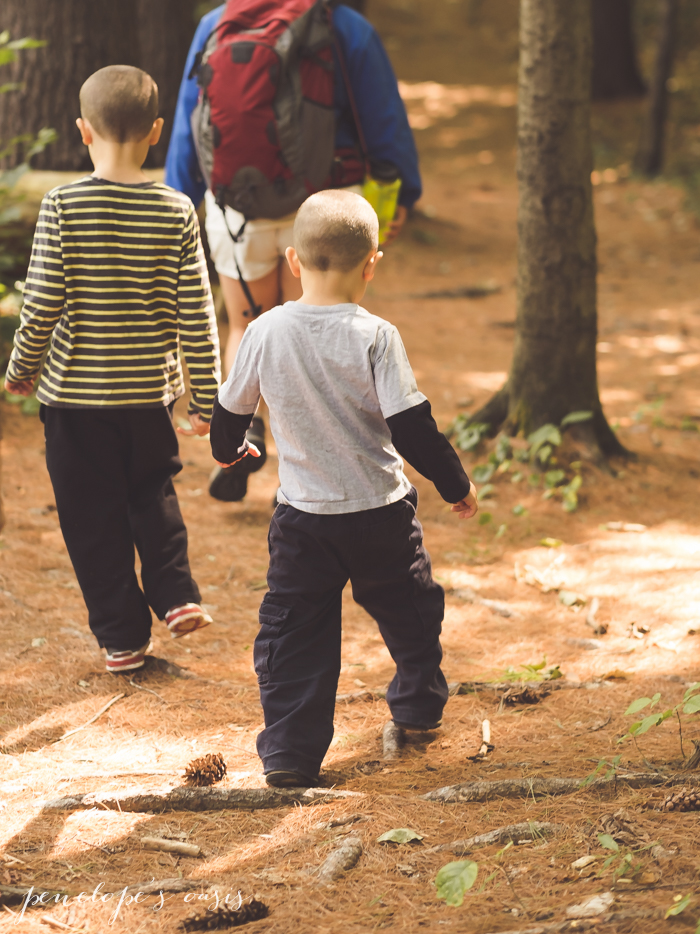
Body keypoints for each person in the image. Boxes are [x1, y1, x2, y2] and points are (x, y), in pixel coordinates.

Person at [209, 190, 478, 788]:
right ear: (371, 264)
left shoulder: (265, 330)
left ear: (293, 261)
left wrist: (230, 453)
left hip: (303, 519)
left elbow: (230, 415)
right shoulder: (377, 335)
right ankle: (418, 702)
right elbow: (412, 424)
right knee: (410, 611)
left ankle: (289, 754)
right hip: (381, 513)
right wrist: (454, 483)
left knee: (294, 628)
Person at [4, 65, 221, 674]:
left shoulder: (63, 206)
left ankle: (123, 637)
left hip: (74, 404)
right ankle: (176, 595)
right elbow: (197, 318)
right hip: (148, 398)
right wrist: (207, 399)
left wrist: (21, 367)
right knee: (151, 493)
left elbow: (42, 300)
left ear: (82, 131)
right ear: (156, 131)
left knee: (89, 516)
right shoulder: (176, 210)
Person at [165, 0, 422, 502]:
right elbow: (383, 119)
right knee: (327, 328)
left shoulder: (215, 25)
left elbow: (189, 121)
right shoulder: (344, 27)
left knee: (246, 324)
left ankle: (243, 434)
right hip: (324, 202)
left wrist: (185, 195)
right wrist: (401, 194)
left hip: (238, 205)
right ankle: (324, 466)